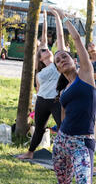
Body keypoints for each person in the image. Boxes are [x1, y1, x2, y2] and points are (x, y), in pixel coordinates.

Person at [30, 8, 96, 184]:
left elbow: (77, 40)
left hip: (82, 143)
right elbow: (64, 112)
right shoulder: (64, 89)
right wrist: (59, 132)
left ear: (73, 60)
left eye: (65, 56)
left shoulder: (86, 75)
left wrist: (63, 17)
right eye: (58, 60)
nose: (62, 60)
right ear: (57, 67)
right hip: (63, 141)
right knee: (62, 181)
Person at [17, 8, 64, 160]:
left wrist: (56, 17)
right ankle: (30, 152)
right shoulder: (39, 71)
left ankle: (64, 155)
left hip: (56, 101)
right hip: (42, 101)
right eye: (43, 50)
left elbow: (60, 38)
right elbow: (38, 88)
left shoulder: (58, 63)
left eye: (47, 48)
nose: (47, 49)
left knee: (63, 128)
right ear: (40, 57)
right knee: (39, 128)